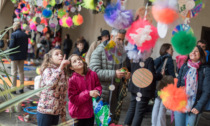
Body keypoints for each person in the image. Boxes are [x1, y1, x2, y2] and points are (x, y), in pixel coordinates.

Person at [89, 29, 130, 123]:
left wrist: (125, 75)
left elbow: (122, 68)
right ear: (111, 37)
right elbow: (94, 72)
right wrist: (114, 74)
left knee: (110, 122)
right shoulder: (99, 51)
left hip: (115, 94)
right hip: (102, 93)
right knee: (100, 122)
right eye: (119, 39)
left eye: (122, 40)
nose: (121, 42)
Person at [174, 46, 210, 126]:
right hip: (180, 103)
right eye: (191, 51)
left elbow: (206, 91)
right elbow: (178, 84)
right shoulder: (184, 66)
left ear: (200, 55)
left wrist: (198, 106)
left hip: (194, 107)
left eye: (196, 51)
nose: (193, 52)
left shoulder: (205, 69)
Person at [37, 48, 70, 126]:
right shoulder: (47, 70)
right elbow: (50, 84)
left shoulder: (63, 72)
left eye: (61, 54)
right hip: (45, 112)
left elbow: (62, 95)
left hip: (56, 113)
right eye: (57, 54)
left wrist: (63, 115)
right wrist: (61, 67)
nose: (60, 55)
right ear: (50, 58)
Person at [67, 54, 102, 126]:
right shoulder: (72, 80)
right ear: (71, 67)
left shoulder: (93, 74)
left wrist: (97, 91)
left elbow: (98, 86)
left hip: (90, 112)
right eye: (74, 61)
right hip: (78, 114)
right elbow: (73, 99)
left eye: (79, 59)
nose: (78, 61)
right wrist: (88, 93)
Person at [124, 50, 157, 126]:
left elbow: (129, 69)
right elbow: (151, 76)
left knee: (132, 108)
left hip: (134, 87)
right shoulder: (149, 60)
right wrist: (160, 75)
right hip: (144, 89)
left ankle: (126, 124)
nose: (151, 51)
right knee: (139, 111)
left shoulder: (134, 58)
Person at [152, 43, 176, 126]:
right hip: (165, 85)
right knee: (162, 106)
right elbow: (172, 75)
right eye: (171, 49)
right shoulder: (169, 59)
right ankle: (160, 124)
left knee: (156, 104)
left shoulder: (158, 59)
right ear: (166, 50)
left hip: (157, 85)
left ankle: (154, 124)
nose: (172, 50)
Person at [9, 22, 28, 94]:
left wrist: (8, 45)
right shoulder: (25, 35)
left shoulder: (13, 35)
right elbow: (26, 46)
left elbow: (11, 46)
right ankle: (21, 88)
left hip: (14, 56)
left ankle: (13, 89)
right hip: (22, 56)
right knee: (21, 72)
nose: (13, 28)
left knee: (14, 72)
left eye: (13, 26)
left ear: (16, 27)